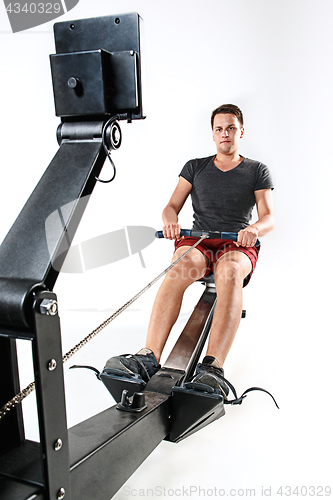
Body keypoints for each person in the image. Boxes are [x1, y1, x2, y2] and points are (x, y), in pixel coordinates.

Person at [104, 104, 274, 398]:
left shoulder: (256, 170)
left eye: (231, 128)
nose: (225, 134)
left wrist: (254, 230)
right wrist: (170, 222)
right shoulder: (195, 167)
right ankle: (148, 358)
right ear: (212, 134)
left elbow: (268, 216)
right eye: (219, 129)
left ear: (241, 131)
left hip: (236, 243)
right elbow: (171, 207)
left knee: (230, 272)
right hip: (198, 241)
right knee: (179, 267)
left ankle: (212, 369)